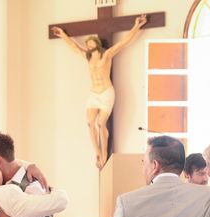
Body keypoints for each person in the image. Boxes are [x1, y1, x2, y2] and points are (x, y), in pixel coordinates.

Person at [52, 15, 148, 169]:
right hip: (93, 94)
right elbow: (74, 47)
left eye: (91, 45)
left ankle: (104, 153)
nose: (89, 47)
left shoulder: (106, 55)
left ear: (96, 45)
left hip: (106, 92)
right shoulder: (88, 58)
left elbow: (124, 43)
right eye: (87, 45)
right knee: (90, 123)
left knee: (100, 123)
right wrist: (63, 34)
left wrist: (137, 26)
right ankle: (97, 152)